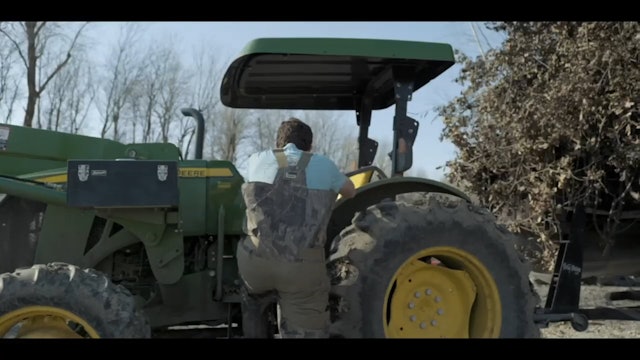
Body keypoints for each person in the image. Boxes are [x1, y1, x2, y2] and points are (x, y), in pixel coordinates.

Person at [236, 117, 356, 338]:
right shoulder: (324, 165)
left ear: (278, 143)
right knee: (305, 317)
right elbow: (351, 191)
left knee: (252, 298)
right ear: (310, 146)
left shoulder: (256, 160)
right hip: (301, 269)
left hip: (255, 263)